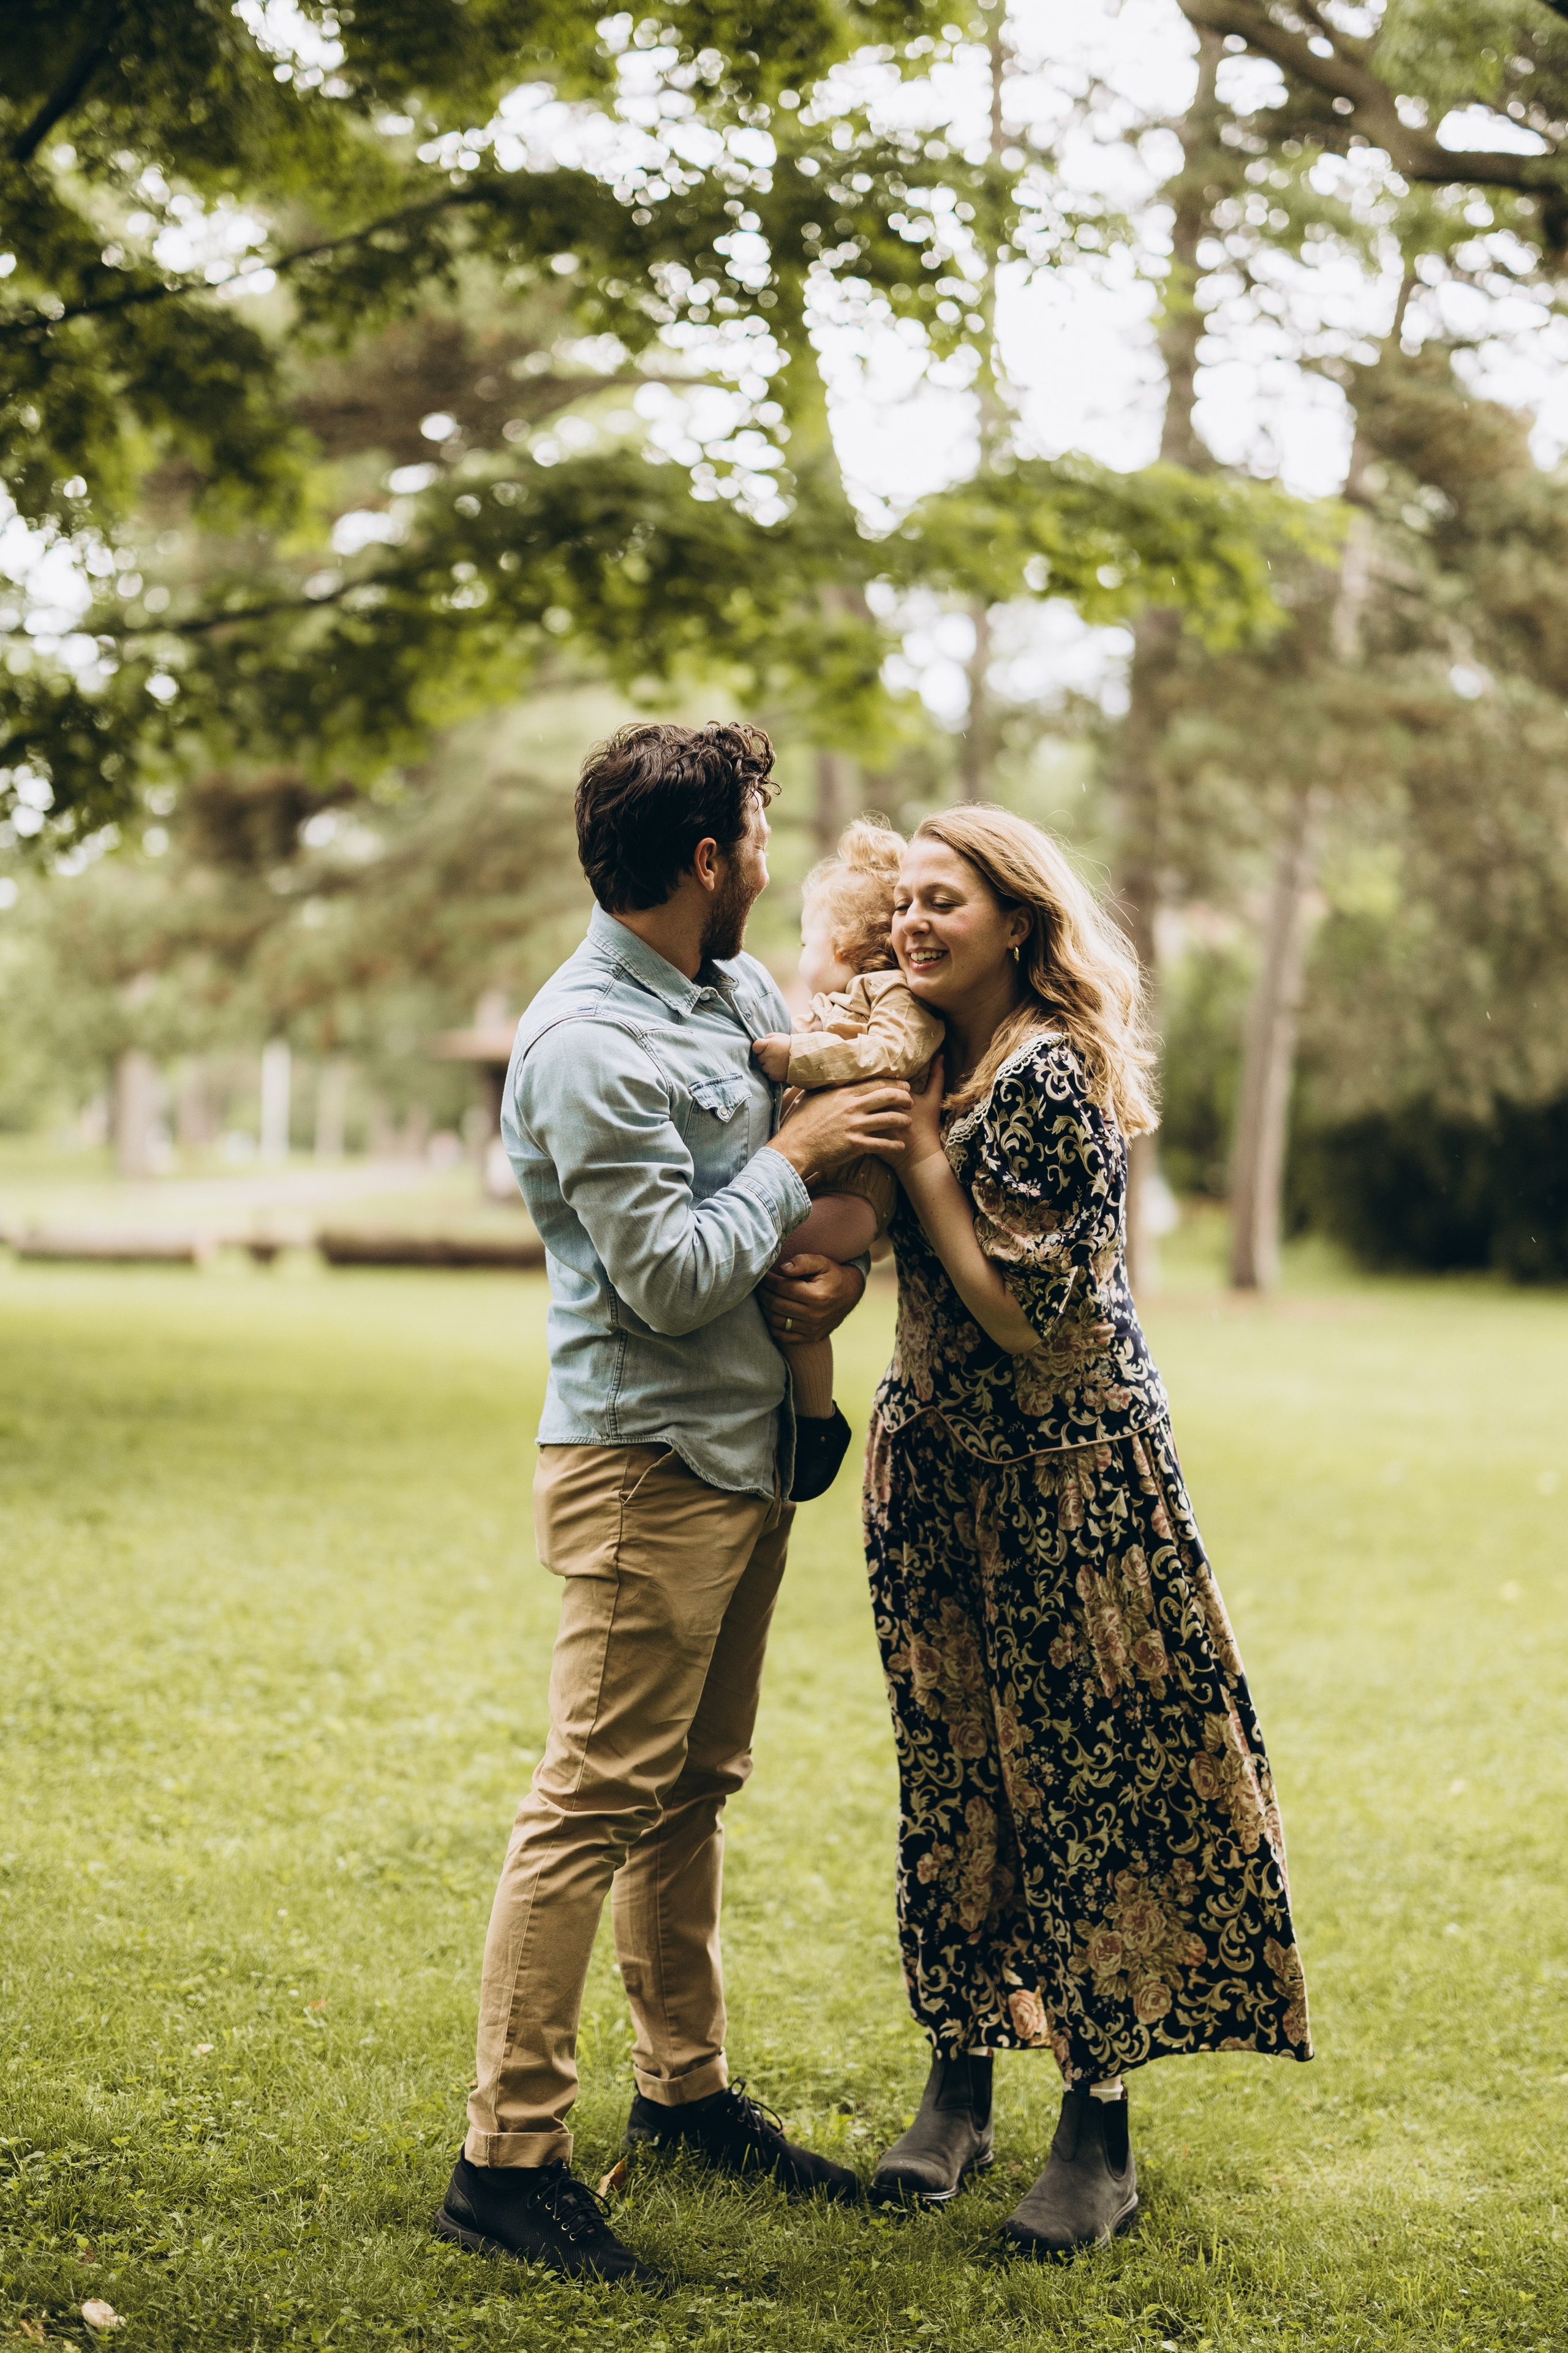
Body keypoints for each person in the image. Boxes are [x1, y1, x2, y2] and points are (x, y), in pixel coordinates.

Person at [434, 721, 910, 2284]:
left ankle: (684, 2088)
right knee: (593, 1793)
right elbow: (666, 1279)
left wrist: (834, 1232)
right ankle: (505, 2155)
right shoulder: (583, 1042)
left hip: (745, 1449)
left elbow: (795, 1217)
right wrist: (793, 1157)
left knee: (693, 1782)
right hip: (642, 1465)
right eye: (759, 830)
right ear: (707, 855)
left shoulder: (735, 993)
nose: (770, 856)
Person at [863, 807, 1311, 2255]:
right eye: (904, 902)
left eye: (947, 901)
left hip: (1070, 1476)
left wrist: (923, 1158)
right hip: (933, 1464)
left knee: (1082, 1781)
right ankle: (955, 2078)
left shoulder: (1047, 1072)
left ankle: (1095, 2125)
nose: (914, 923)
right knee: (951, 1774)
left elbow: (1028, 1311)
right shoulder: (918, 1045)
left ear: (1016, 920)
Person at [749, 819, 943, 1462]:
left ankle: (814, 1420)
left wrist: (799, 1058)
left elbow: (894, 1052)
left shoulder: (892, 995)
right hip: (828, 1184)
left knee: (756, 1251)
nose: (799, 952)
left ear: (836, 944)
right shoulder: (838, 1005)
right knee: (781, 1271)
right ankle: (808, 1417)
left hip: (854, 1192)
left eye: (805, 938)